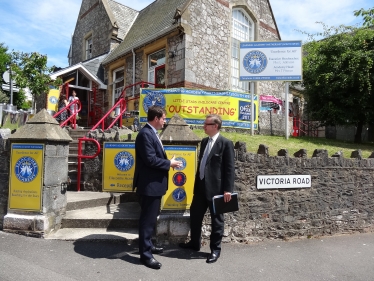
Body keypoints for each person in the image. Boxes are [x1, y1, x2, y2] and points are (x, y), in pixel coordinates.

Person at [179, 114, 235, 264]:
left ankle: (215, 250)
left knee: (217, 221)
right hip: (201, 188)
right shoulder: (204, 142)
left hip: (217, 191)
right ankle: (195, 243)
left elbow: (229, 169)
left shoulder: (225, 144)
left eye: (206, 124)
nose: (203, 126)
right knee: (195, 215)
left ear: (215, 126)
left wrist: (227, 189)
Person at [133, 105, 182, 270]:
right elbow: (150, 160)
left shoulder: (151, 133)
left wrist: (169, 162)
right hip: (149, 186)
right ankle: (146, 256)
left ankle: (149, 245)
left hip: (154, 185)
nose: (165, 121)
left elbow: (154, 157)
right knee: (147, 221)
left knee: (151, 219)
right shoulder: (145, 134)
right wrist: (170, 163)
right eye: (163, 118)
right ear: (156, 118)